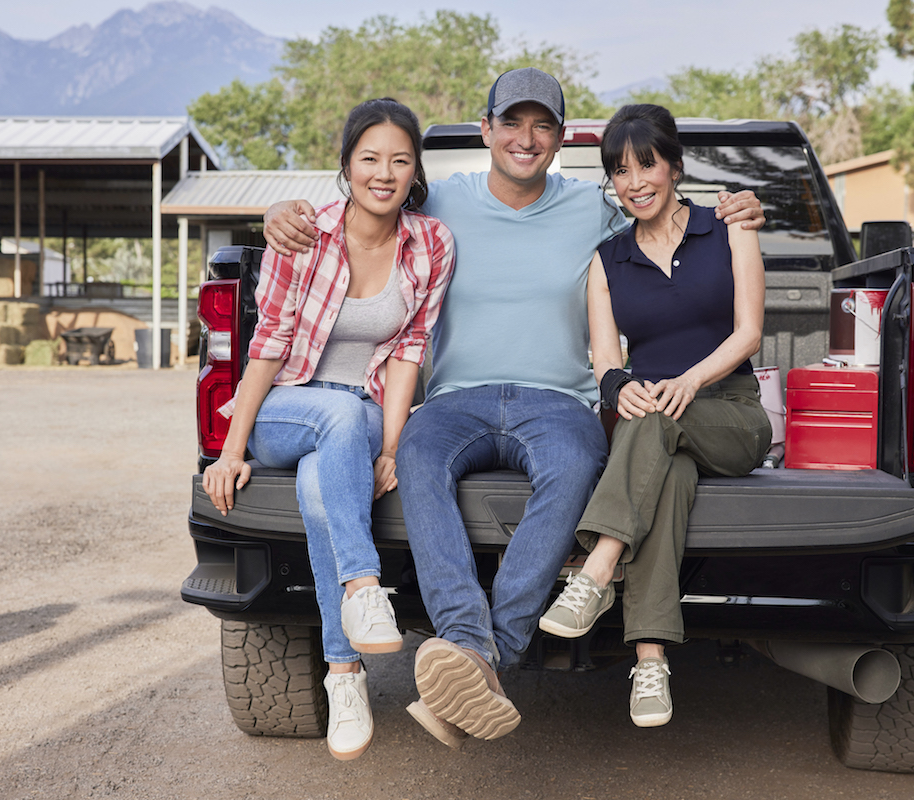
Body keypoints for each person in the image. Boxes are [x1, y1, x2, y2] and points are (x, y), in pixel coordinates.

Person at [263, 69, 765, 747]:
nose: (526, 138)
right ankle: (478, 647)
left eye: (543, 125)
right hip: (453, 401)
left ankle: (477, 654)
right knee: (416, 455)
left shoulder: (595, 207)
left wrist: (736, 207)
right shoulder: (439, 201)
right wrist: (280, 214)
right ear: (486, 130)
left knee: (577, 466)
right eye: (512, 122)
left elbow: (664, 214)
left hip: (557, 403)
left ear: (561, 138)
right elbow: (366, 203)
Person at [202, 98, 455, 761]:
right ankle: (363, 588)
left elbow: (408, 353)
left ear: (414, 171)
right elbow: (268, 344)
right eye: (370, 158)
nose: (384, 172)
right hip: (287, 408)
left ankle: (344, 674)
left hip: (364, 414)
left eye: (400, 160)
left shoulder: (430, 243)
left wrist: (393, 448)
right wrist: (231, 451)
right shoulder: (305, 234)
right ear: (346, 164)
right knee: (332, 420)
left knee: (323, 487)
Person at [536, 104, 773, 728]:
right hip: (659, 431)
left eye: (647, 164)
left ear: (674, 165)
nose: (635, 181)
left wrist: (685, 382)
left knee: (657, 413)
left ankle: (596, 570)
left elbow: (749, 333)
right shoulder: (607, 260)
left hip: (732, 415)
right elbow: (608, 364)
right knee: (664, 479)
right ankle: (650, 661)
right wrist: (623, 390)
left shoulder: (729, 228)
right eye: (619, 171)